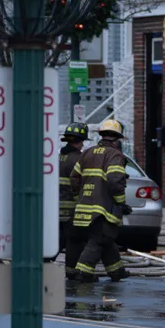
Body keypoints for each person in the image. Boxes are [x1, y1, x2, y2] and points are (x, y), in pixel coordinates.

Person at [71, 118, 132, 282]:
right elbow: (115, 180)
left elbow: (74, 177)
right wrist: (120, 202)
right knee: (99, 240)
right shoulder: (115, 155)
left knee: (106, 239)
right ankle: (82, 272)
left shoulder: (87, 152)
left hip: (84, 208)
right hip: (102, 210)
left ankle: (116, 271)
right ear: (117, 139)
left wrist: (80, 197)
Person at [58, 122, 89, 270]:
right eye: (82, 141)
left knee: (58, 239)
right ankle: (72, 270)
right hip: (72, 207)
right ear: (79, 142)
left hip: (55, 207)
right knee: (74, 240)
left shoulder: (58, 157)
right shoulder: (80, 158)